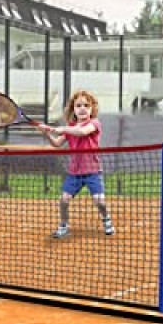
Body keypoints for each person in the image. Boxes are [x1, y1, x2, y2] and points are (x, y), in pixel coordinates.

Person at [38, 89, 114, 239]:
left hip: (93, 171)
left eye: (86, 105)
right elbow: (57, 144)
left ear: (92, 108)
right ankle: (64, 226)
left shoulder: (94, 123)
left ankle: (106, 220)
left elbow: (82, 132)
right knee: (64, 199)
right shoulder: (71, 127)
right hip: (75, 173)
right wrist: (47, 133)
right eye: (78, 105)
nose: (83, 108)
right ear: (73, 109)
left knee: (99, 201)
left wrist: (62, 128)